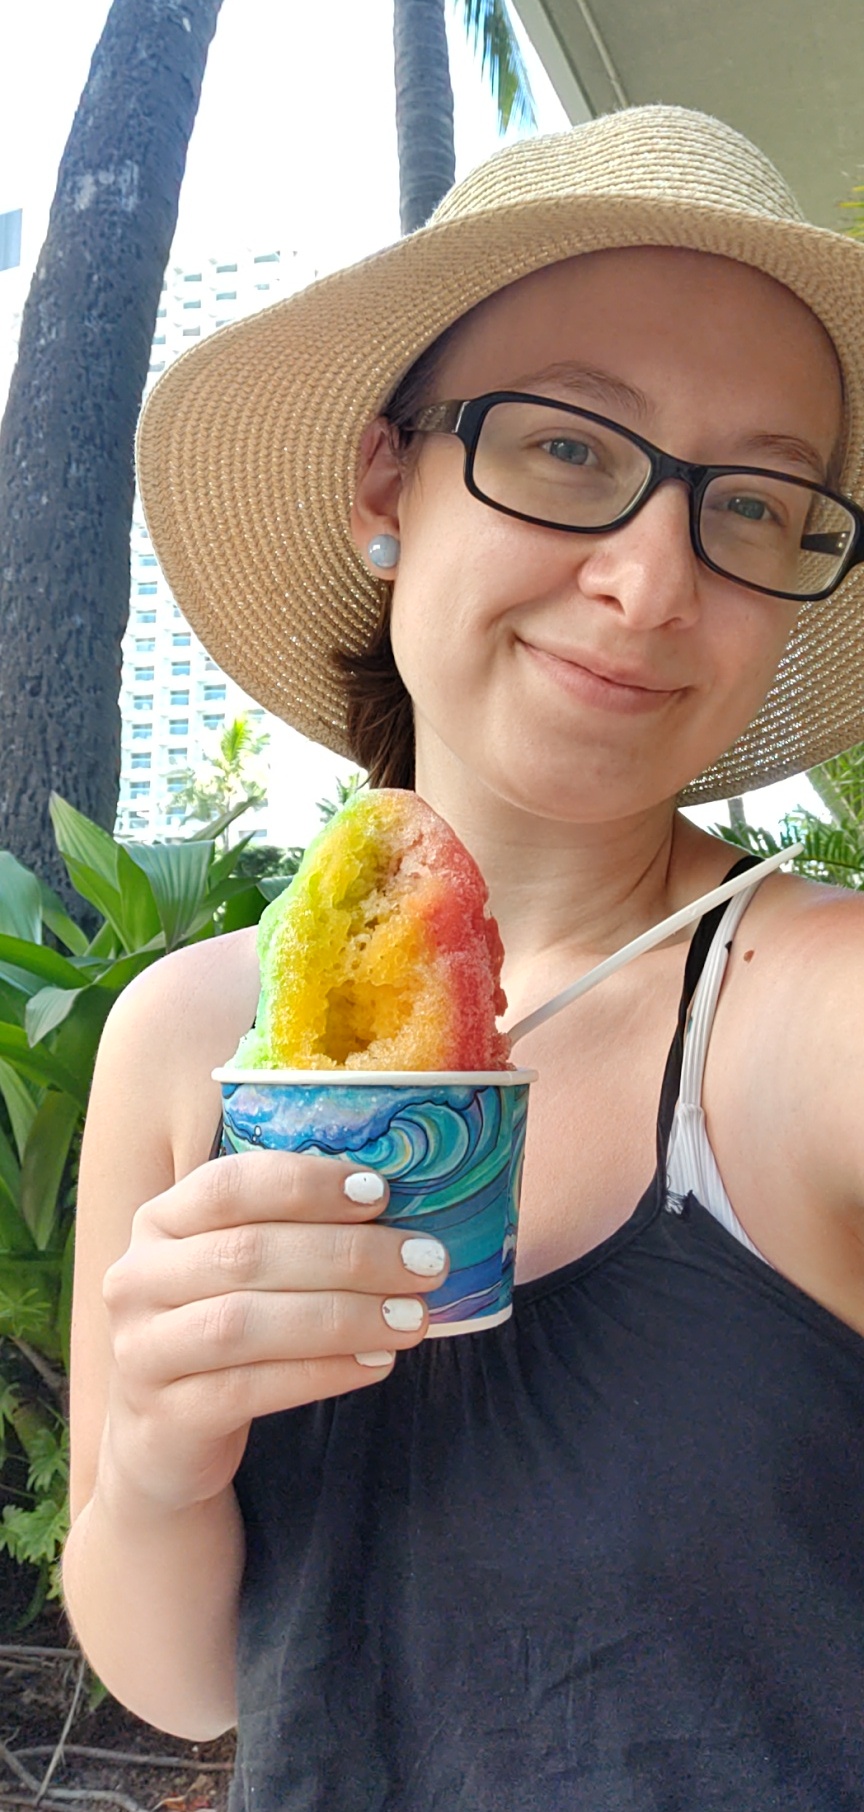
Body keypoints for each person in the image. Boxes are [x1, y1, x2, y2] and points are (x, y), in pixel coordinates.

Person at [63, 104, 864, 1810]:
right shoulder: (180, 1037)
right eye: (573, 448)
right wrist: (152, 1459)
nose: (653, 582)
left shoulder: (813, 1013)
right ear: (386, 482)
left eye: (757, 501)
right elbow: (194, 1683)